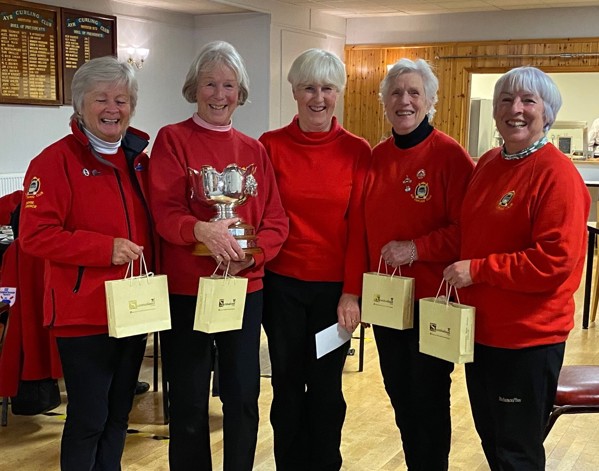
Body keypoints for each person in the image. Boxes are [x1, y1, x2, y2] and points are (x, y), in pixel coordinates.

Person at [148, 40, 288, 471]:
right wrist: (203, 231)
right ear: (195, 88)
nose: (219, 94)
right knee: (189, 398)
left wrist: (254, 254)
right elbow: (164, 212)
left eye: (228, 85)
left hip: (244, 289)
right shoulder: (172, 140)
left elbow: (276, 220)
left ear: (240, 93)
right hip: (188, 289)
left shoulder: (254, 150)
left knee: (244, 394)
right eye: (210, 83)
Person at [443, 66, 590, 470]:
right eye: (506, 100)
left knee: (517, 452)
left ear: (548, 112)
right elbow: (466, 234)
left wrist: (478, 271)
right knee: (492, 439)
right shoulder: (489, 163)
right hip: (483, 334)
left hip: (527, 340)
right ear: (495, 112)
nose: (516, 109)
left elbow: (554, 262)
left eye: (528, 100)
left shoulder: (556, 174)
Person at [18, 56, 154, 470]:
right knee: (88, 419)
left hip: (132, 310)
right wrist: (103, 249)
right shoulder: (53, 161)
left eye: (122, 99)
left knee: (118, 416)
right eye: (102, 99)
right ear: (80, 105)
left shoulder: (139, 162)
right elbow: (34, 236)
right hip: (83, 315)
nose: (113, 108)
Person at [344, 58, 474, 470]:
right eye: (396, 93)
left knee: (428, 398)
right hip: (387, 303)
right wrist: (356, 292)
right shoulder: (376, 157)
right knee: (399, 392)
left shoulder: (451, 157)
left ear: (431, 100)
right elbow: (363, 231)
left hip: (432, 302)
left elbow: (466, 231)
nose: (404, 101)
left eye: (414, 92)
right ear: (384, 102)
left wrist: (416, 248)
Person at [258, 48, 371, 470]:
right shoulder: (269, 146)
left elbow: (358, 228)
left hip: (332, 294)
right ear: (294, 91)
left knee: (325, 388)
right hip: (281, 287)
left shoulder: (358, 151)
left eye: (327, 88)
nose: (318, 97)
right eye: (309, 88)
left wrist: (351, 293)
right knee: (286, 385)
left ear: (339, 93)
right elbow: (260, 217)